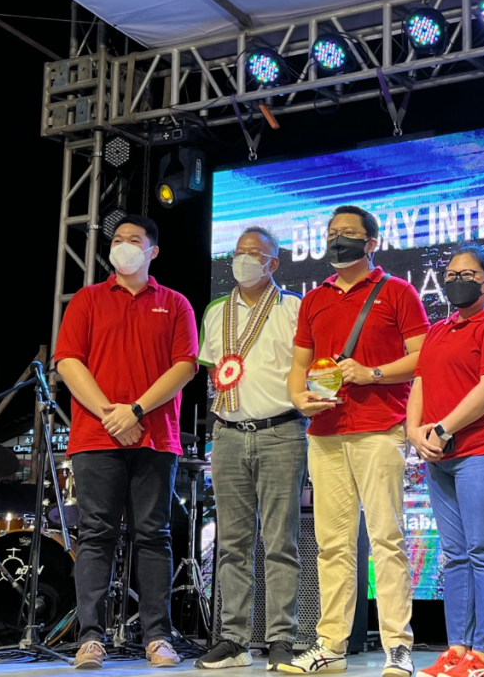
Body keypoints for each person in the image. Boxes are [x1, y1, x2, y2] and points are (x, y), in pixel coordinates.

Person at [282, 205, 429, 676]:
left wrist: (373, 373)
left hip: (380, 427)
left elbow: (423, 357)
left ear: (371, 243)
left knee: (387, 538)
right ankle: (330, 646)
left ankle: (397, 646)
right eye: (331, 233)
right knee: (332, 544)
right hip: (324, 433)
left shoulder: (398, 292)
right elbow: (298, 367)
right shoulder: (314, 298)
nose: (337, 240)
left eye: (348, 233)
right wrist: (299, 399)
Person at [54, 214, 199, 670]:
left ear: (152, 251)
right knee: (96, 533)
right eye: (117, 240)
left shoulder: (175, 304)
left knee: (153, 535)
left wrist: (134, 411)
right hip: (96, 436)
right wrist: (110, 415)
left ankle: (158, 635)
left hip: (155, 438)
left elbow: (186, 367)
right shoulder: (87, 299)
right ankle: (90, 638)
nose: (123, 246)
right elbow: (68, 362)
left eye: (134, 240)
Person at [195, 227, 307, 671]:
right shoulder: (215, 311)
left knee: (281, 542)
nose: (244, 260)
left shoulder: (294, 308)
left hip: (281, 432)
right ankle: (233, 639)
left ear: (273, 263)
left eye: (255, 254)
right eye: (239, 253)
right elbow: (213, 373)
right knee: (232, 545)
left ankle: (281, 637)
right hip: (227, 435)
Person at [407, 245, 484, 677]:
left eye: (470, 274)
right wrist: (414, 431)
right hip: (440, 455)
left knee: (482, 550)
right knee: (454, 554)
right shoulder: (438, 329)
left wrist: (443, 428)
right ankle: (457, 650)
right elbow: (420, 382)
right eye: (452, 273)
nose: (459, 279)